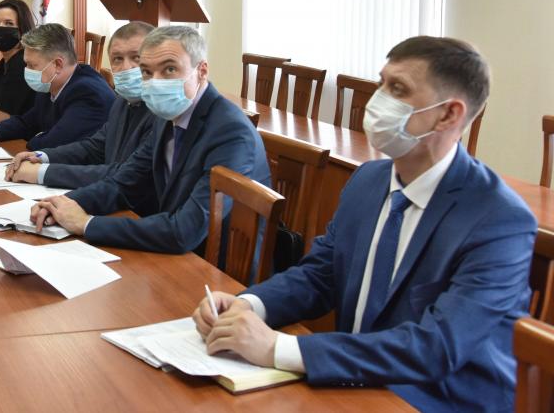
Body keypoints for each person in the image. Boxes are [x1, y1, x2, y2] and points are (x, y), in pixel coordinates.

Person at [192, 36, 536, 412]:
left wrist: (278, 348)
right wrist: (249, 305)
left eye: (398, 89)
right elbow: (320, 275)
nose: (377, 101)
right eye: (381, 84)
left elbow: (437, 347)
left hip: (436, 398)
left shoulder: (498, 220)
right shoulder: (368, 180)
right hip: (355, 382)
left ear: (449, 115)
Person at [29, 25, 270, 255]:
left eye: (169, 69)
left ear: (202, 70)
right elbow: (124, 183)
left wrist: (87, 223)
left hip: (214, 269)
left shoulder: (230, 133)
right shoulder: (167, 116)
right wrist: (61, 204)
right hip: (172, 250)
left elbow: (185, 230)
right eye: (146, 72)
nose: (155, 81)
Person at [5, 21, 156, 188]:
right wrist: (41, 156)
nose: (126, 67)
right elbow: (95, 147)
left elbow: (130, 175)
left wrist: (43, 173)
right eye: (118, 59)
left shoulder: (162, 112)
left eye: (136, 58)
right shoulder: (122, 101)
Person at [0, 23, 115, 151]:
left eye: (32, 65)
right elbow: (27, 123)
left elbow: (53, 143)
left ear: (58, 64)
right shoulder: (51, 84)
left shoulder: (88, 93)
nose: (26, 70)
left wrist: (37, 136)